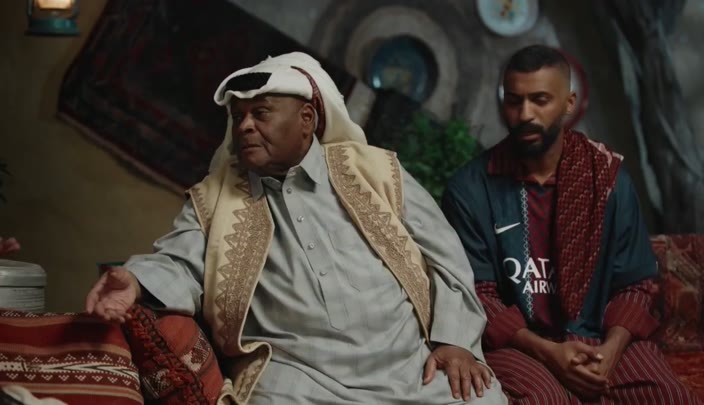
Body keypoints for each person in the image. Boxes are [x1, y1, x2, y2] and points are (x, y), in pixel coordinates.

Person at [85, 52, 507, 405]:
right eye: (238, 116)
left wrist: (453, 341)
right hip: (300, 379)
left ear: (307, 119)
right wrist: (135, 281)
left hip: (409, 366)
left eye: (260, 113)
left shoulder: (375, 171)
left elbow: (446, 258)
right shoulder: (214, 199)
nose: (244, 126)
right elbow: (180, 262)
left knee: (481, 398)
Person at [442, 45, 702, 404]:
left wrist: (610, 352)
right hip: (518, 342)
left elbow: (636, 283)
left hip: (600, 336)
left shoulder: (607, 179)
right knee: (545, 399)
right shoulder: (470, 189)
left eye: (540, 100)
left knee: (670, 397)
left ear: (568, 103)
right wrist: (549, 353)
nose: (525, 114)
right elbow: (477, 294)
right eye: (514, 101)